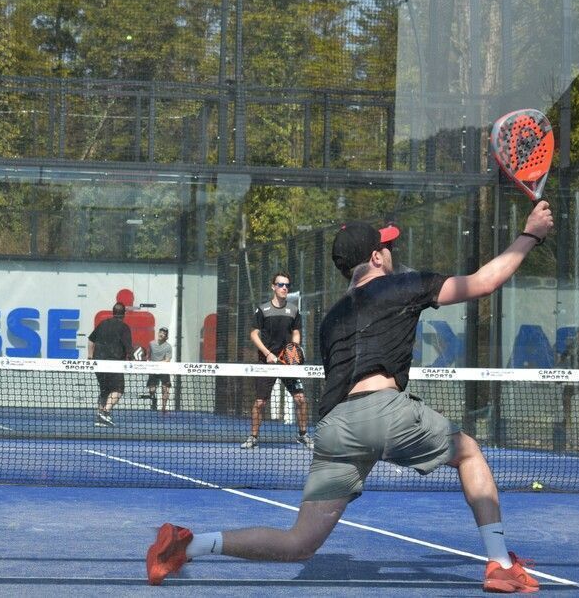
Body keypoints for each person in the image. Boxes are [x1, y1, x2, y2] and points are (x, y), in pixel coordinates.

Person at [147, 202, 554, 593]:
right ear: (376, 257)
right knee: (468, 453)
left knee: (299, 543)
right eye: (388, 247)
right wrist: (529, 235)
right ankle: (500, 565)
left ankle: (188, 544)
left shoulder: (331, 319)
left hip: (337, 427)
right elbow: (484, 282)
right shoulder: (404, 285)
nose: (393, 252)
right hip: (385, 414)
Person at [242, 271, 312, 450]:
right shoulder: (263, 309)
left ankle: (303, 435)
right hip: (267, 365)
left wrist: (293, 350)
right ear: (273, 287)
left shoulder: (293, 310)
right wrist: (267, 353)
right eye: (280, 285)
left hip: (288, 366)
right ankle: (253, 437)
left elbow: (296, 332)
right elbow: (254, 334)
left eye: (287, 285)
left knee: (301, 400)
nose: (284, 288)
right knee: (260, 403)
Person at [89, 301, 133, 427]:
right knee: (118, 389)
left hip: (99, 363)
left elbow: (91, 340)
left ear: (113, 312)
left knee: (104, 390)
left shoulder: (102, 324)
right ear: (124, 314)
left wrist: (90, 356)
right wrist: (132, 359)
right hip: (114, 364)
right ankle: (105, 412)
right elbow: (128, 347)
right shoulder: (124, 328)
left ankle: (99, 417)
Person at [140, 327, 173, 411]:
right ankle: (153, 397)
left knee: (165, 389)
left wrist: (158, 364)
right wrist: (146, 362)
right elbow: (148, 355)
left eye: (164, 333)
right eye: (161, 332)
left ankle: (163, 408)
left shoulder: (168, 347)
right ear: (158, 333)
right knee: (152, 390)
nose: (162, 334)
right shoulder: (151, 343)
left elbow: (168, 360)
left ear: (166, 336)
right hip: (153, 370)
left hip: (164, 370)